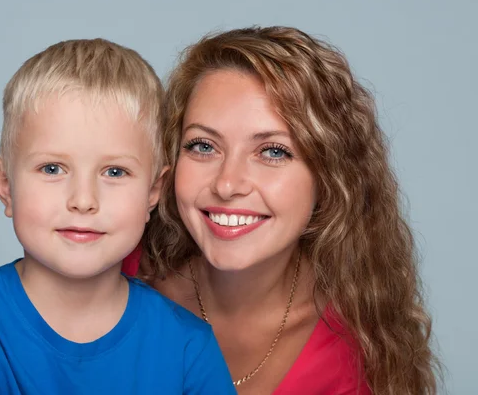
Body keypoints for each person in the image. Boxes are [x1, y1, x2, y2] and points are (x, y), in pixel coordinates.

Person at [0, 38, 236, 395]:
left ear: (153, 193)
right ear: (5, 185)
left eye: (114, 172)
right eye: (52, 168)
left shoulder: (189, 347)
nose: (83, 200)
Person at [141, 26, 440, 394]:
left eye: (273, 151)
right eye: (203, 146)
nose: (227, 184)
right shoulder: (114, 284)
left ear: (329, 176)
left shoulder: (361, 348)